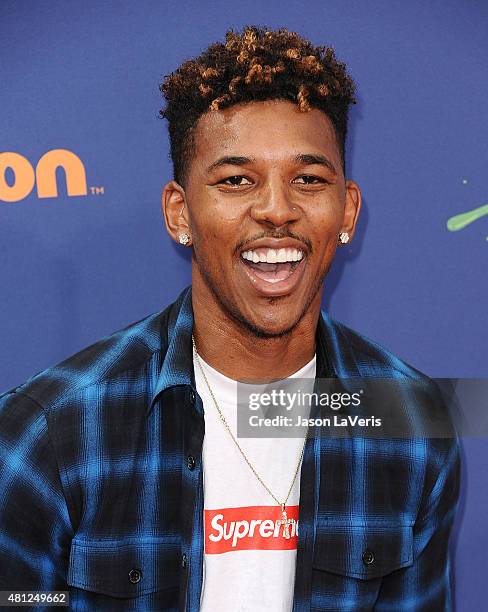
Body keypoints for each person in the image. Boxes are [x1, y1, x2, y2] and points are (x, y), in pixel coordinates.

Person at [0, 25, 460, 611]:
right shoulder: (49, 434)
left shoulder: (410, 422)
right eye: (237, 180)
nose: (276, 210)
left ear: (347, 210)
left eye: (309, 180)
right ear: (179, 213)